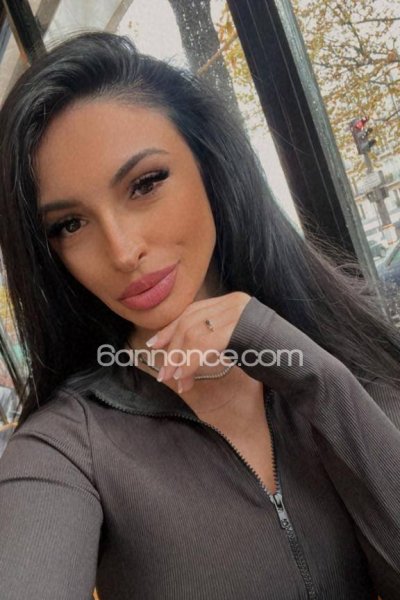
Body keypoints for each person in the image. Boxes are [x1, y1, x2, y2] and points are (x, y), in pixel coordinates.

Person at [0, 31, 399, 600]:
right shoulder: (67, 446)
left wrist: (311, 374)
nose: (122, 251)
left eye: (145, 184)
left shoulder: (341, 350)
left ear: (210, 167)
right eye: (70, 224)